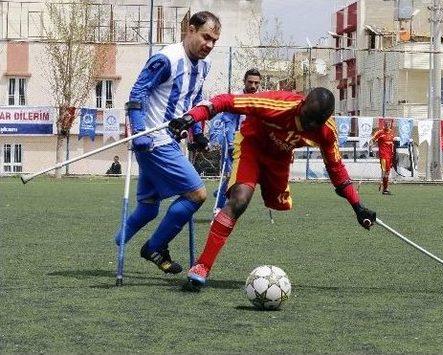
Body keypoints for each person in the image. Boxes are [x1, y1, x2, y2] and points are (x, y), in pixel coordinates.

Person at [168, 88, 377, 290]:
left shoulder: (326, 131)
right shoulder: (277, 103)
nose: (309, 125)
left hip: (279, 158)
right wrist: (191, 117)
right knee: (239, 200)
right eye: (307, 117)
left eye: (317, 121)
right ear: (302, 104)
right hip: (252, 145)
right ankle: (202, 265)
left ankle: (264, 185)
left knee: (279, 203)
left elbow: (337, 170)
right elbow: (226, 101)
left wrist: (358, 207)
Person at [113, 11, 221, 275]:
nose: (209, 45)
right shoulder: (167, 59)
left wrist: (197, 132)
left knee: (149, 208)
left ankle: (119, 242)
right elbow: (137, 93)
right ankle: (155, 247)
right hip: (154, 141)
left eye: (214, 41)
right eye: (206, 37)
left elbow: (190, 104)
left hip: (172, 139)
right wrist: (140, 131)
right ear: (191, 30)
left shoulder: (204, 66)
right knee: (197, 194)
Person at [208, 69, 262, 215]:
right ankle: (219, 207)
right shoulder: (236, 98)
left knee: (246, 176)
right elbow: (228, 121)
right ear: (244, 81)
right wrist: (231, 142)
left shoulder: (261, 99)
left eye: (256, 83)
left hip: (251, 142)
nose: (253, 85)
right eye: (250, 82)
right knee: (230, 174)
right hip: (234, 139)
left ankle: (220, 192)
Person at [370, 120, 395, 194]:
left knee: (387, 172)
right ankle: (385, 189)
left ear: (391, 124)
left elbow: (392, 144)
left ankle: (385, 188)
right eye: (386, 123)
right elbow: (372, 140)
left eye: (389, 123)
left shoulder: (392, 132)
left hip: (390, 156)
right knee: (384, 171)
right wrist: (371, 150)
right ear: (384, 124)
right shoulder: (380, 132)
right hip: (383, 155)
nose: (388, 125)